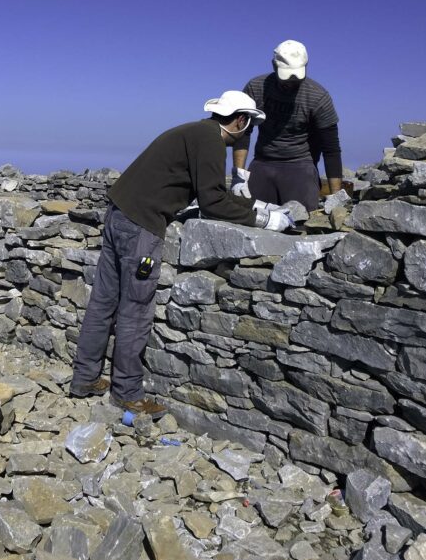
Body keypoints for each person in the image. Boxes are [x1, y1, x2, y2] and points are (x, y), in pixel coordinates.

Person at [70, 92, 294, 418]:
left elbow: (199, 190)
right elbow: (213, 201)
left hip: (119, 214)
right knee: (135, 310)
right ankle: (127, 395)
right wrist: (264, 218)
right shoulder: (211, 141)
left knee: (103, 301)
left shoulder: (194, 131)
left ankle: (84, 379)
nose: (248, 135)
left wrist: (249, 203)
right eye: (249, 127)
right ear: (241, 120)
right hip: (141, 227)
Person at [231, 40, 343, 211]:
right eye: (286, 77)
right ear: (274, 66)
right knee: (248, 214)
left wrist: (336, 197)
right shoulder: (256, 88)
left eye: (296, 77)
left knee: (299, 220)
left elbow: (331, 149)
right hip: (263, 161)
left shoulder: (318, 97)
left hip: (300, 164)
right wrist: (239, 176)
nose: (291, 82)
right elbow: (242, 132)